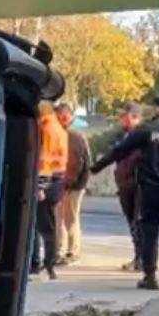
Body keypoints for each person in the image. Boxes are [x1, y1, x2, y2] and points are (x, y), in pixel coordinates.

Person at [90, 96, 159, 290]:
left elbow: (120, 151)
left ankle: (150, 276)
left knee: (150, 232)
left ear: (157, 110)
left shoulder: (147, 130)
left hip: (151, 190)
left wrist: (95, 167)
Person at [33, 100, 68, 280]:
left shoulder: (47, 129)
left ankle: (46, 264)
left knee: (43, 227)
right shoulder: (59, 129)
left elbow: (44, 160)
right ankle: (48, 263)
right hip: (58, 181)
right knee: (49, 225)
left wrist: (40, 186)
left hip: (48, 182)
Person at [55, 102, 91, 265]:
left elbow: (86, 163)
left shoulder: (76, 136)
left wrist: (80, 184)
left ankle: (71, 250)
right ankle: (59, 250)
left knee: (70, 218)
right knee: (59, 218)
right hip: (60, 183)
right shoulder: (57, 134)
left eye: (63, 115)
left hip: (73, 184)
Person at [111, 103, 144, 270]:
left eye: (124, 116)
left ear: (134, 117)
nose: (121, 119)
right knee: (132, 222)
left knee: (139, 222)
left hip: (138, 186)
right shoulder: (123, 136)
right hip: (125, 186)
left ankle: (142, 259)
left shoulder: (143, 136)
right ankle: (138, 257)